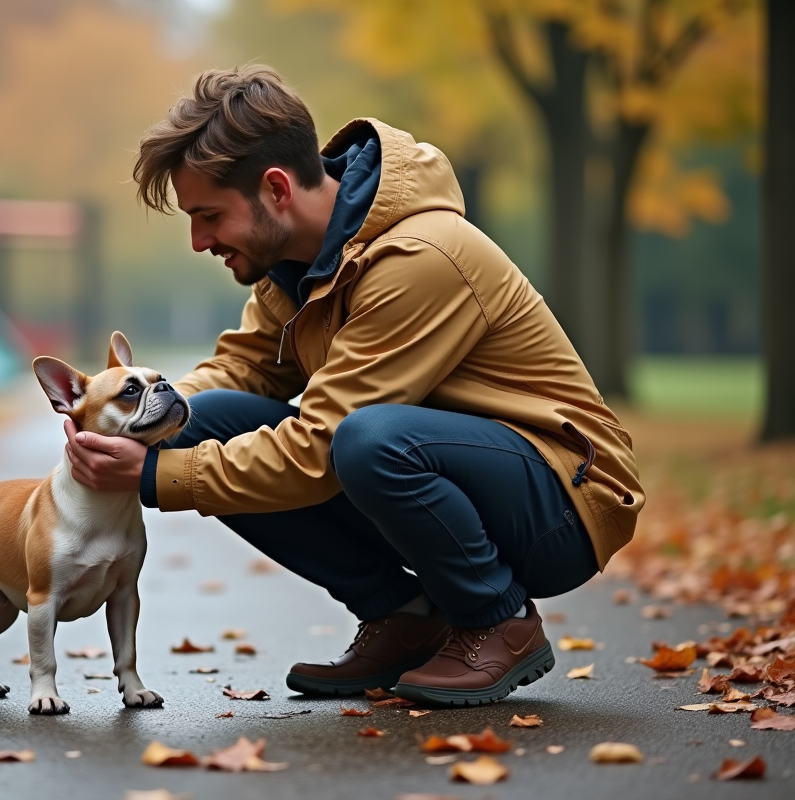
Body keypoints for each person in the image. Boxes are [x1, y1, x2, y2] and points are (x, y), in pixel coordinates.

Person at [62, 66, 644, 706]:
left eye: (209, 216)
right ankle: (405, 616)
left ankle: (498, 621)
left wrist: (152, 476)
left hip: (561, 503)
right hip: (457, 474)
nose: (200, 241)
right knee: (202, 421)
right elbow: (244, 369)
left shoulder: (421, 258)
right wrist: (131, 418)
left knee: (368, 440)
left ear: (276, 188)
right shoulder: (294, 265)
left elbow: (321, 445)